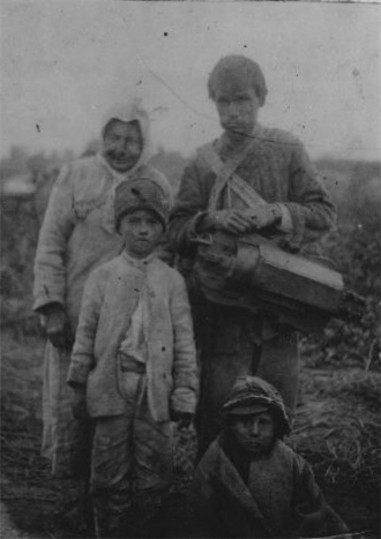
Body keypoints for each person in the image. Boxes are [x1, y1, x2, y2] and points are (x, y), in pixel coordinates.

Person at [169, 55, 337, 456]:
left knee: (275, 423)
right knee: (218, 421)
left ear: (261, 98)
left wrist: (277, 212)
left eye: (242, 100)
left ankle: (270, 507)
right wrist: (211, 220)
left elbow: (324, 213)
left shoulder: (287, 149)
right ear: (213, 103)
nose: (233, 111)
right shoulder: (201, 162)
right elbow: (175, 228)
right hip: (222, 316)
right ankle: (216, 509)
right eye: (223, 102)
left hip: (279, 311)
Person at [33, 100, 172, 528]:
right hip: (76, 319)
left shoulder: (155, 182)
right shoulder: (76, 175)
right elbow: (51, 243)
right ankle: (74, 507)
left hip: (134, 327)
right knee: (75, 407)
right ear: (102, 135)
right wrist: (52, 305)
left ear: (144, 142)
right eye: (113, 136)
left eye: (132, 139)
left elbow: (166, 251)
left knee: (124, 412)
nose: (121, 147)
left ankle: (121, 511)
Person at [66, 177, 198, 538]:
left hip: (155, 395)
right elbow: (85, 336)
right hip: (110, 389)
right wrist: (78, 383)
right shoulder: (102, 278)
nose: (143, 230)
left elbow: (184, 344)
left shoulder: (171, 281)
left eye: (151, 223)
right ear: (119, 225)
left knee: (154, 479)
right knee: (108, 479)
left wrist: (184, 393)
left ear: (162, 229)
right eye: (134, 222)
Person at [191, 375, 348, 538]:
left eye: (264, 423)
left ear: (276, 427)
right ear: (231, 425)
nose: (254, 431)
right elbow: (200, 523)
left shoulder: (292, 464)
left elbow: (315, 515)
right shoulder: (212, 465)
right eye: (245, 422)